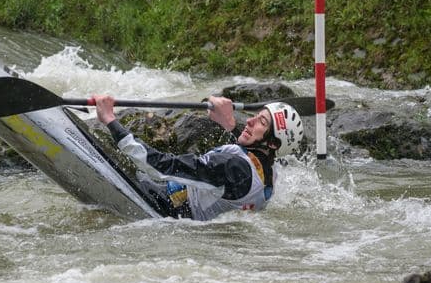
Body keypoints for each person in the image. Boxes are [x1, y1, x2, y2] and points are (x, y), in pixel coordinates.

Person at [92, 94, 304, 221]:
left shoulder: (233, 167)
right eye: (256, 115)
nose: (250, 121)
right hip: (177, 206)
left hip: (163, 208)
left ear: (273, 143)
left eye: (261, 122)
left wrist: (111, 120)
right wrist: (228, 122)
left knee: (132, 163)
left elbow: (162, 166)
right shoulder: (269, 172)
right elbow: (244, 160)